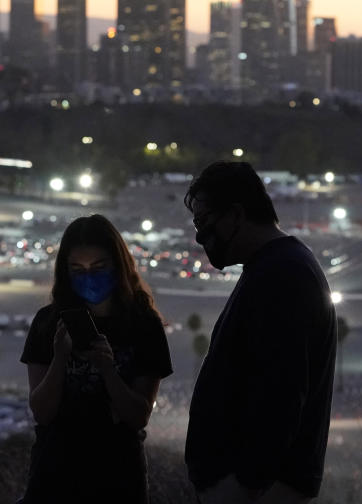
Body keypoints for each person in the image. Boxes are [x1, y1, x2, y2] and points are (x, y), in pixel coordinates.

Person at [182, 162, 337, 504]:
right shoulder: (274, 267)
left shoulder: (284, 275)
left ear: (236, 215)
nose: (199, 236)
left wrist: (247, 483)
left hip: (259, 490)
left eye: (204, 221)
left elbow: (281, 393)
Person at [19, 214, 173, 503]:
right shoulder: (48, 323)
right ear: (65, 272)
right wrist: (60, 358)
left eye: (99, 267)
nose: (89, 276)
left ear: (119, 266)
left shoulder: (143, 325)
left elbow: (138, 416)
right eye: (78, 269)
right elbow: (41, 411)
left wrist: (107, 368)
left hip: (118, 477)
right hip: (54, 475)